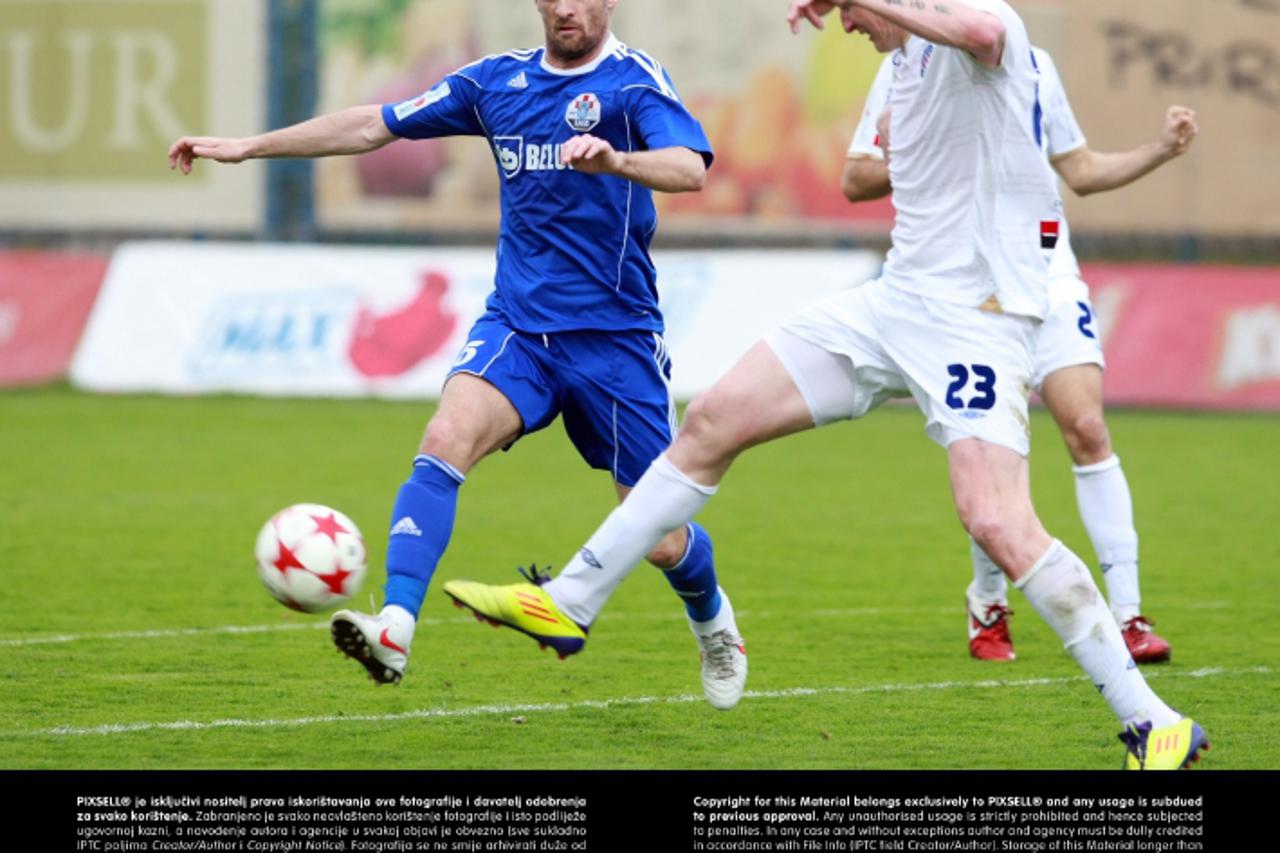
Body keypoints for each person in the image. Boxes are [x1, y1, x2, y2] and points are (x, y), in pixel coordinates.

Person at [443, 0, 1209, 769]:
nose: (846, 26)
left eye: (852, 11)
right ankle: (570, 600)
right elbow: (855, 175)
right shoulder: (897, 63)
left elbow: (980, 35)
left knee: (997, 520)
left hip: (977, 320)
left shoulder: (983, 25)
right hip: (893, 302)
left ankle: (1154, 721)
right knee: (713, 418)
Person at [168, 0, 749, 710]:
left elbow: (690, 168)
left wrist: (616, 159)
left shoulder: (633, 83)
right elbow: (371, 125)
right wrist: (247, 147)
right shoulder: (494, 83)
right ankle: (395, 627)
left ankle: (714, 621)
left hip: (615, 340)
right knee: (444, 438)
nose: (566, 8)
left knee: (659, 537)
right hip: (518, 327)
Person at [842, 48, 1199, 663]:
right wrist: (930, 151)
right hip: (971, 284)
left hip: (1048, 272)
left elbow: (1080, 170)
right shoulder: (910, 65)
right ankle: (988, 601)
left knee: (1087, 428)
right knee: (993, 447)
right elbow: (856, 178)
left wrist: (1161, 149)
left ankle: (1130, 615)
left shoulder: (1032, 62)